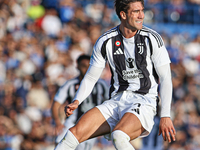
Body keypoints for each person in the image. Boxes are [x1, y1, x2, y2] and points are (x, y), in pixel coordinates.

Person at [55, 0, 176, 150]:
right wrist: (77, 100)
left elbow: (165, 78)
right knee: (72, 134)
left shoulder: (152, 38)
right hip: (116, 101)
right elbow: (91, 77)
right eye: (136, 11)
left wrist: (165, 115)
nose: (142, 15)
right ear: (123, 14)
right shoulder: (105, 41)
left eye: (142, 10)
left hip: (144, 100)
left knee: (119, 135)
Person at [51, 54, 109, 150]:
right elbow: (56, 104)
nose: (86, 69)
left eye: (88, 66)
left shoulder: (101, 84)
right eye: (83, 66)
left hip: (91, 124)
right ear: (77, 66)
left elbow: (109, 101)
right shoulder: (70, 84)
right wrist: (58, 122)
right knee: (59, 143)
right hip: (72, 122)